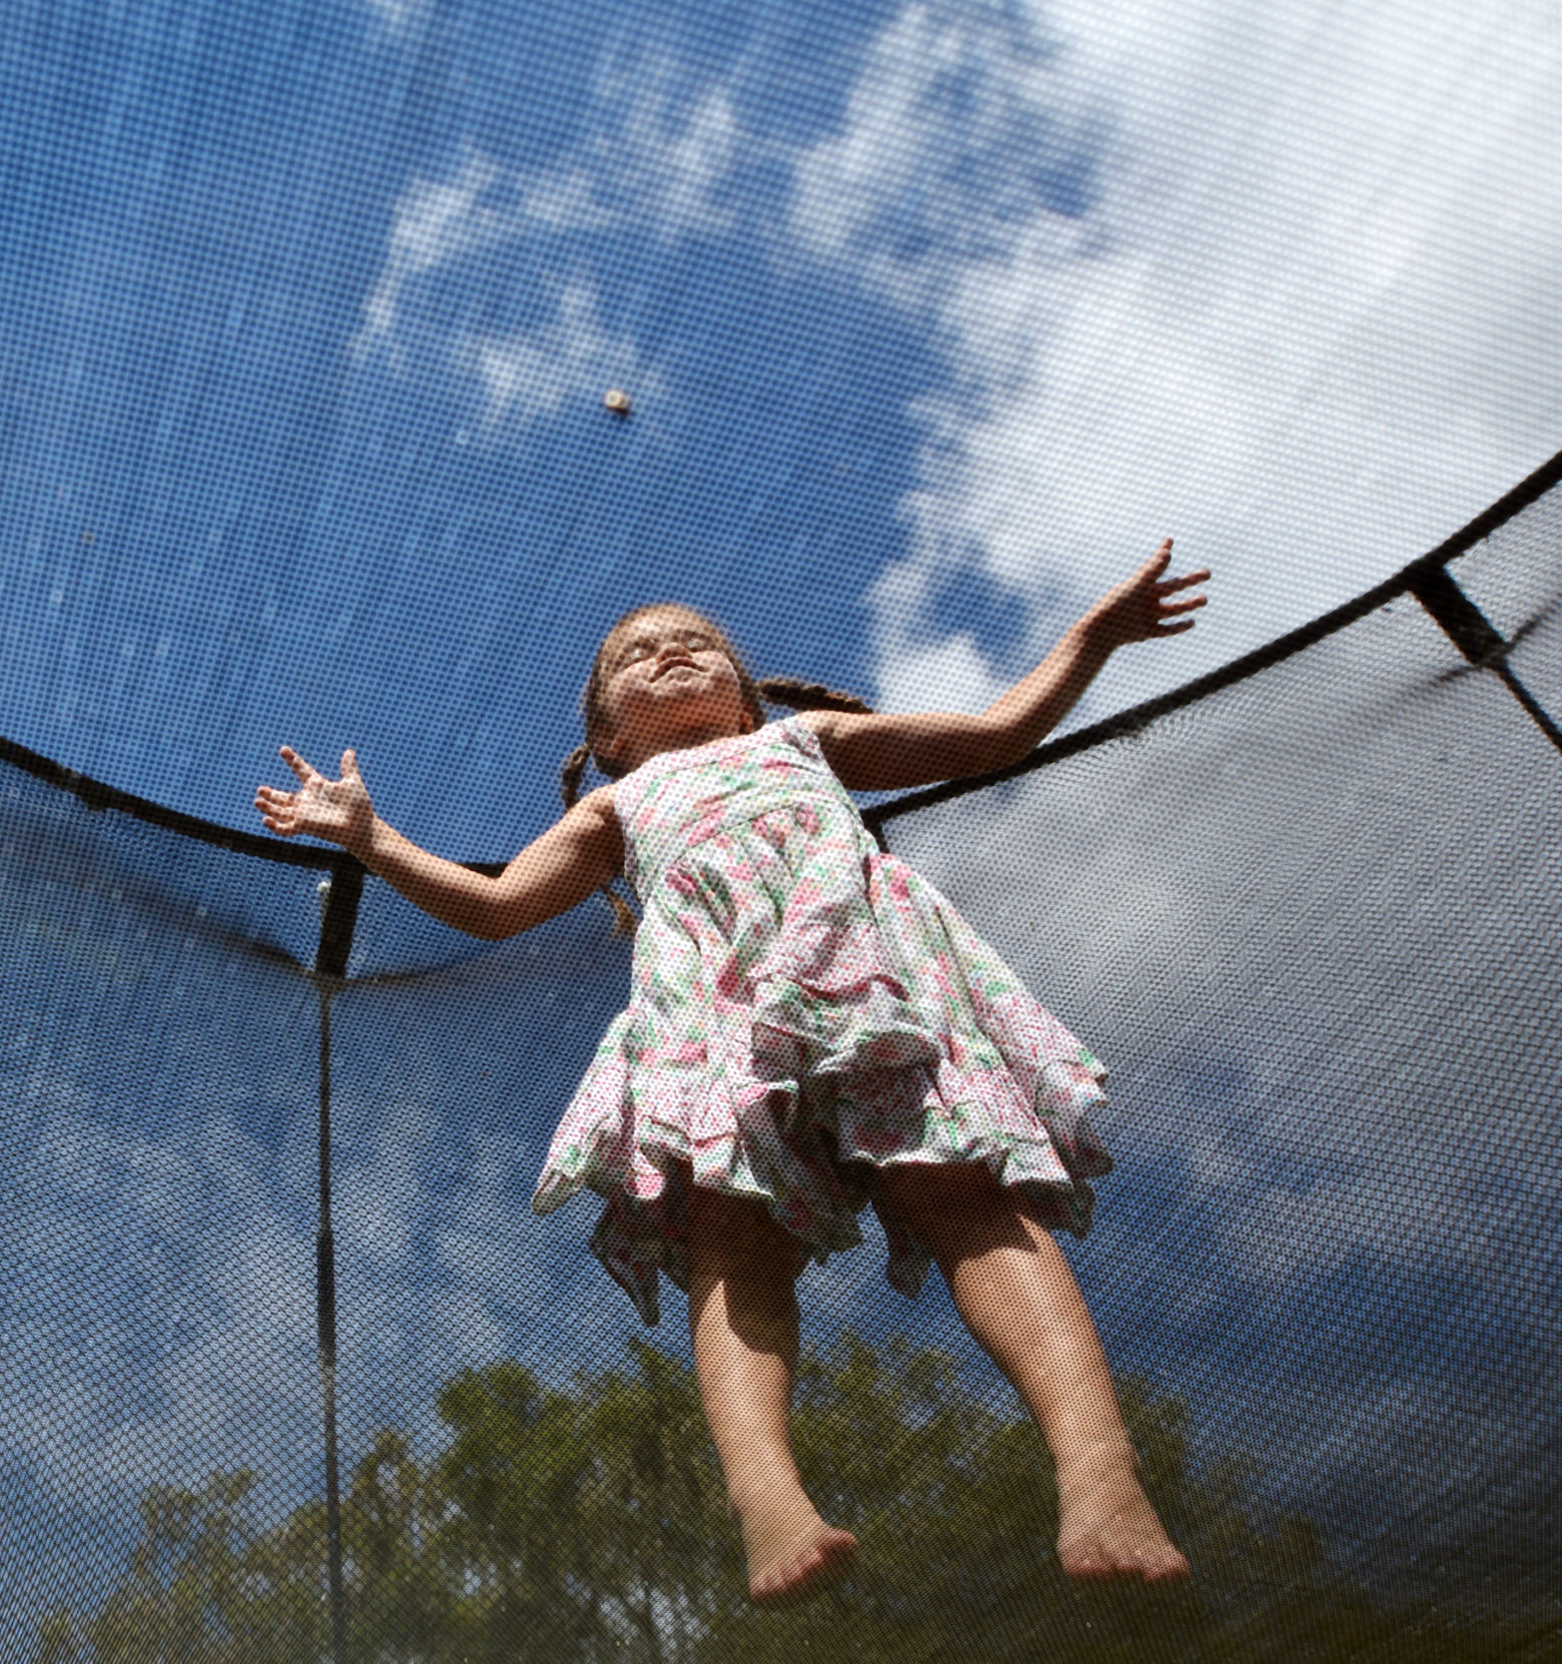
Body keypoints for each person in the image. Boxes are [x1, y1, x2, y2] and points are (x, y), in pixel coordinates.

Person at [254, 540, 1208, 1605]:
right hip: (711, 1020)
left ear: (743, 700)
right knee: (729, 1233)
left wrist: (1091, 637)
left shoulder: (806, 742)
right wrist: (371, 837)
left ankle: (1097, 1469)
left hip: (856, 979)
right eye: (636, 656)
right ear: (608, 735)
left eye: (694, 645)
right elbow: (496, 906)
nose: (667, 654)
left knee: (959, 1184)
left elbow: (995, 737)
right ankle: (766, 1500)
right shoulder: (613, 809)